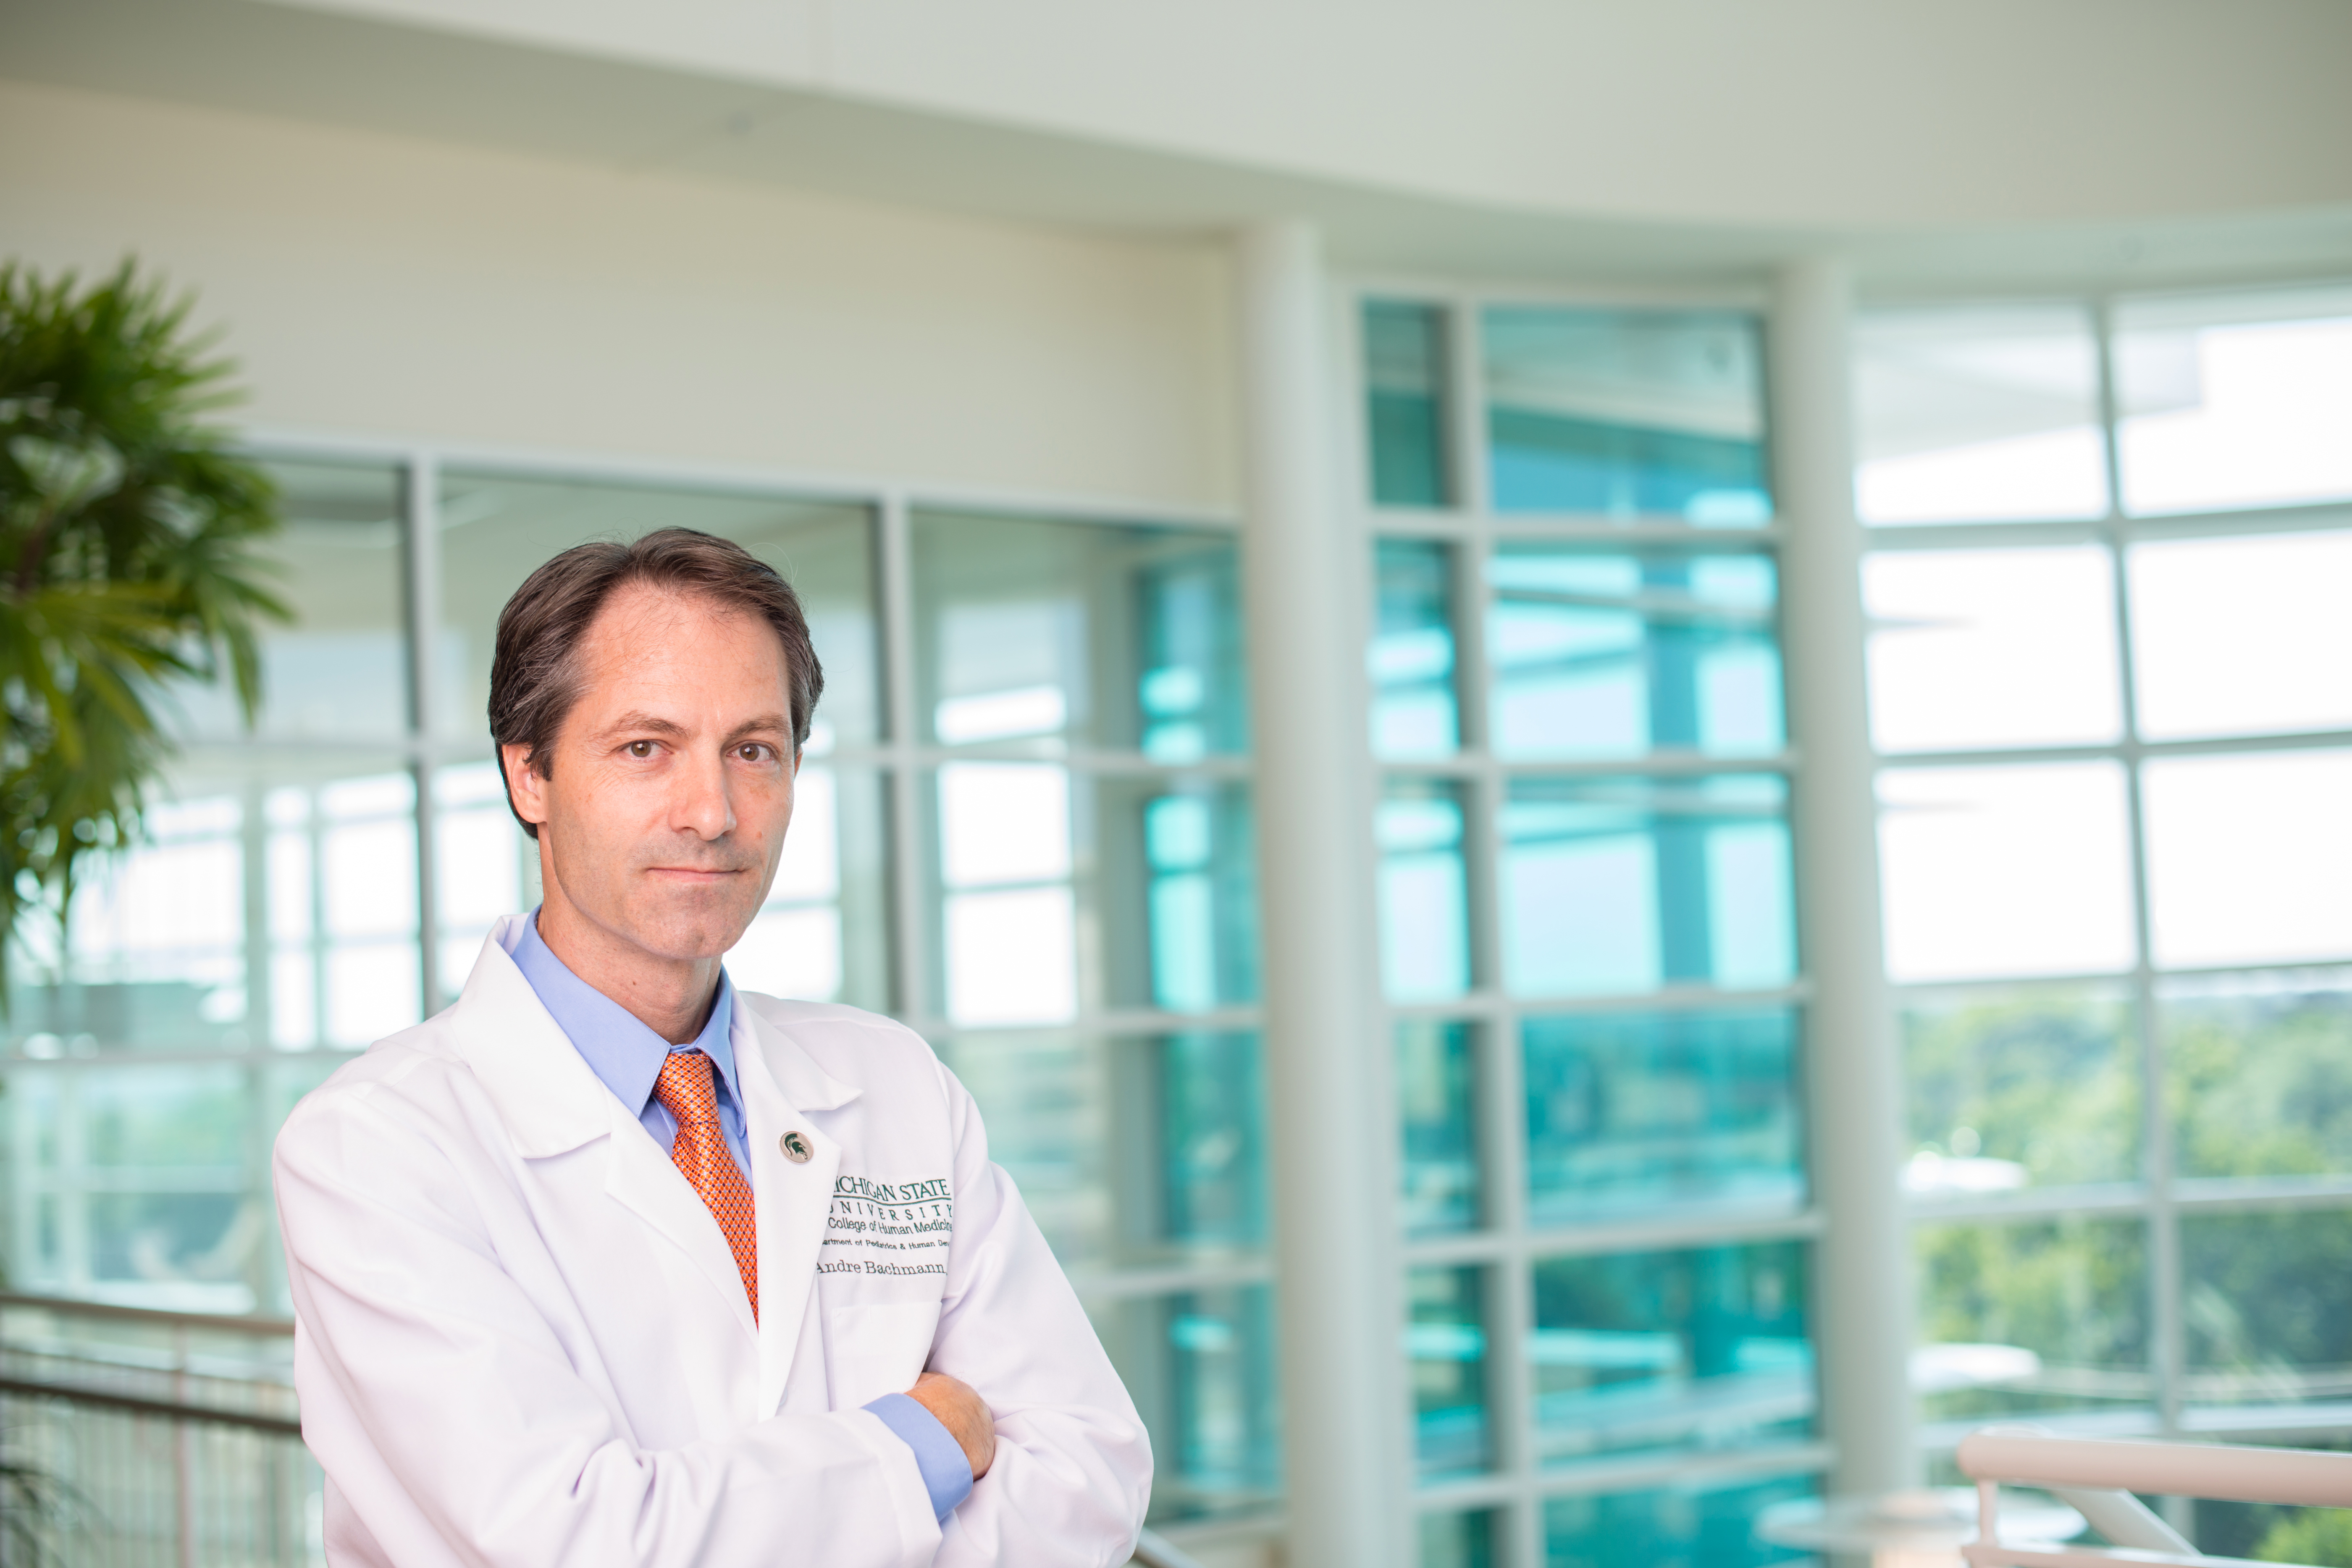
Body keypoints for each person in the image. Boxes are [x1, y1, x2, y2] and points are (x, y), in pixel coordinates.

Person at [273, 528, 1150, 1568]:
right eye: (645, 747)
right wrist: (927, 1441)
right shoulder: (376, 1146)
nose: (714, 812)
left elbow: (1087, 1465)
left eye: (754, 750)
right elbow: (576, 1541)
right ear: (530, 778)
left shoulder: (891, 1085)